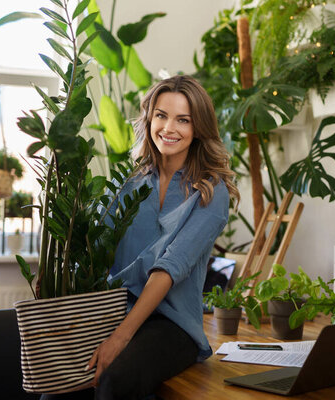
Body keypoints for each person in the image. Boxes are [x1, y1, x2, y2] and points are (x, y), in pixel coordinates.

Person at [40, 75, 239, 400]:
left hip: (171, 324)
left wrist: (120, 337)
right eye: (161, 115)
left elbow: (170, 267)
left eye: (183, 120)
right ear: (149, 119)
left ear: (198, 127)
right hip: (114, 310)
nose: (169, 128)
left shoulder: (210, 191)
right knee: (57, 390)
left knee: (115, 380)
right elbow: (95, 249)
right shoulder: (130, 183)